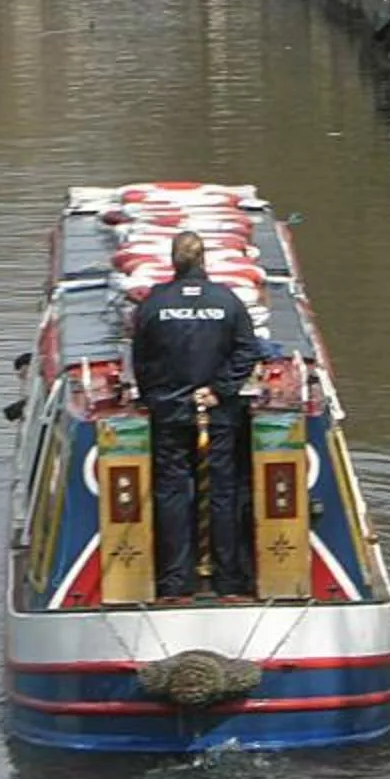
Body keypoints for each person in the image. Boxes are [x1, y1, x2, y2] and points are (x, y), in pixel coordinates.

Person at [131, 230, 261, 599]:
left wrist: (158, 398)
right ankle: (228, 581)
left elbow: (141, 360)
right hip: (218, 415)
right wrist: (219, 390)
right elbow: (247, 351)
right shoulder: (228, 302)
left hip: (170, 414)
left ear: (173, 261)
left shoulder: (153, 304)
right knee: (222, 492)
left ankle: (175, 582)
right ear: (204, 260)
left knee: (172, 493)